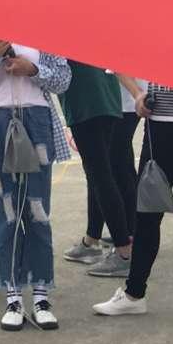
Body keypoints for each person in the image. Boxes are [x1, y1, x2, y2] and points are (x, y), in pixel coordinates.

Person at [0, 32, 71, 333]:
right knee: (4, 215)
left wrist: (32, 70)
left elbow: (63, 79)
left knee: (38, 212)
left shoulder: (41, 25)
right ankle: (13, 296)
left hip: (36, 118)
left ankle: (42, 296)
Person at [93, 82, 173, 325]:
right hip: (158, 130)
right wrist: (137, 94)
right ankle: (134, 293)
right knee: (146, 214)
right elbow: (122, 62)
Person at [60, 61, 134, 280]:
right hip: (107, 98)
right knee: (99, 174)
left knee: (100, 176)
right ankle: (92, 240)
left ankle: (124, 251)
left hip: (86, 101)